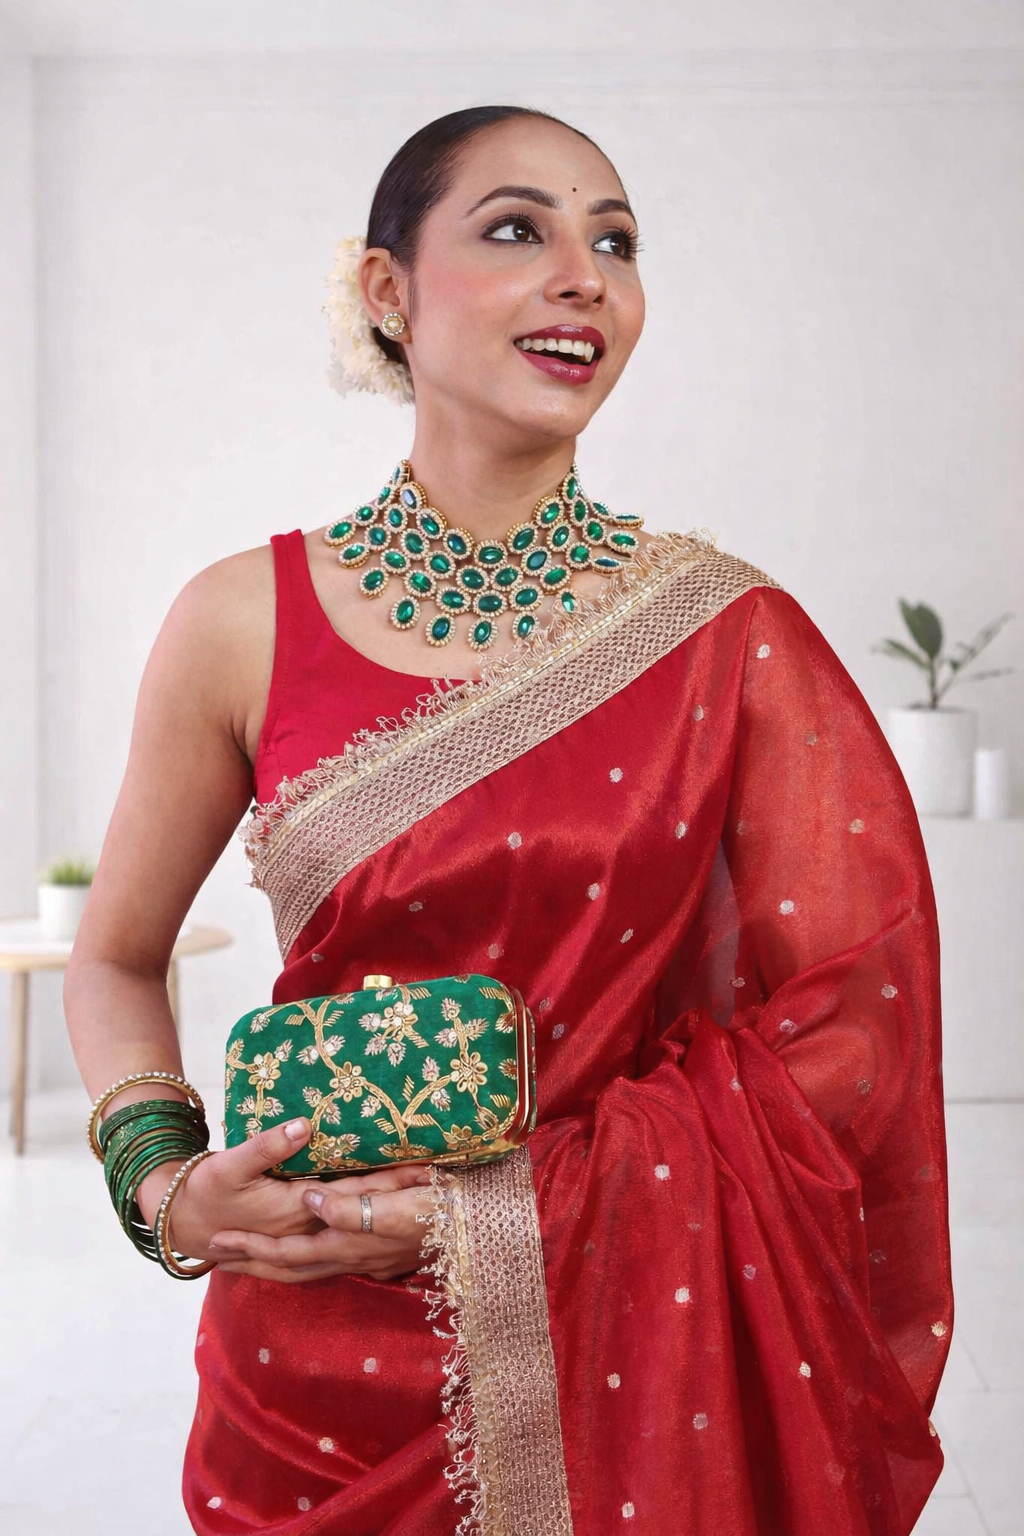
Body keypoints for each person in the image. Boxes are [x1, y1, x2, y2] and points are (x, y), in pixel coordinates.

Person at [64, 105, 953, 1535]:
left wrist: (533, 1211)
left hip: (622, 1340)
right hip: (305, 1357)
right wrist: (161, 1184)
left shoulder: (725, 638)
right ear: (385, 291)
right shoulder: (238, 620)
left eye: (615, 241)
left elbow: (859, 1023)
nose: (584, 274)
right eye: (516, 229)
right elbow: (115, 957)